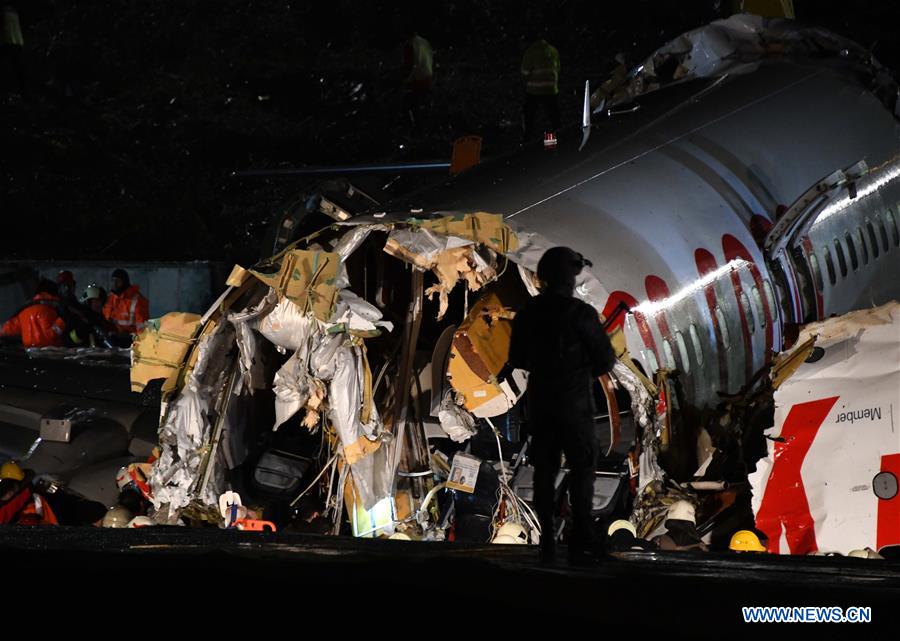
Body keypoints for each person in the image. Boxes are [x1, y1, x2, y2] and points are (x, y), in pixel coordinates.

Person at [506, 246, 617, 564]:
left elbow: (517, 358)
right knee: (583, 467)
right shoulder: (581, 314)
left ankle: (547, 539)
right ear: (569, 277)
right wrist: (579, 369)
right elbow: (605, 360)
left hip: (542, 404)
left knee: (545, 470)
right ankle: (582, 534)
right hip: (575, 406)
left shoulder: (528, 313)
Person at [0, 279, 66, 347]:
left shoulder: (24, 312)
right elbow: (51, 335)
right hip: (50, 351)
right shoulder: (49, 311)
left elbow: (9, 327)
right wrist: (62, 320)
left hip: (29, 351)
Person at [521, 32, 561, 142]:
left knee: (529, 115)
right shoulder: (553, 50)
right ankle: (559, 135)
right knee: (554, 115)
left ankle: (528, 139)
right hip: (551, 89)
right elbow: (558, 68)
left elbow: (525, 72)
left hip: (534, 90)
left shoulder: (530, 52)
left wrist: (525, 82)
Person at [402, 29, 433, 130]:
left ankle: (414, 129)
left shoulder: (410, 45)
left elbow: (410, 66)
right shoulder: (424, 42)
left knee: (409, 106)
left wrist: (404, 80)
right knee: (422, 107)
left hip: (417, 80)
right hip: (428, 78)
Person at [103, 268, 149, 335]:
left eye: (118, 281)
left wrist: (137, 339)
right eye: (113, 280)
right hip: (112, 337)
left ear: (124, 282)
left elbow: (142, 326)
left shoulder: (138, 300)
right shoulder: (110, 298)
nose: (114, 283)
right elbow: (105, 318)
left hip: (130, 338)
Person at [0, 4, 25, 92]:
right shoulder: (14, 13)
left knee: (8, 67)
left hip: (7, 42)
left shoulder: (3, 13)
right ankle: (23, 91)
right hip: (18, 42)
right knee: (18, 69)